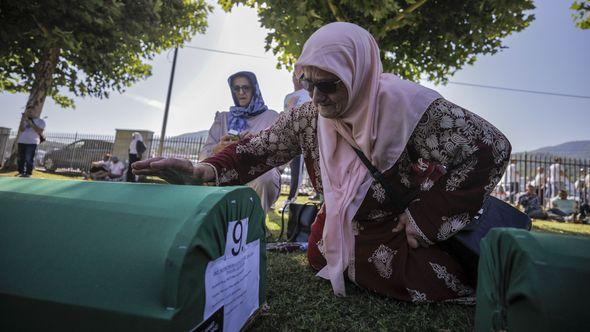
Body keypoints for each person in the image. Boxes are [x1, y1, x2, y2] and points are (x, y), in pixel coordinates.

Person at [133, 23, 511, 303]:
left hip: (398, 230)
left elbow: (491, 148)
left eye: (328, 84)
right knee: (321, 252)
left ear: (358, 74)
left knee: (426, 277)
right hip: (341, 228)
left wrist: (425, 219)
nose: (316, 96)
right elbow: (263, 148)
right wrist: (203, 170)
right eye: (307, 82)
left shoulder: (413, 111)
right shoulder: (309, 115)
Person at [197, 71, 281, 218]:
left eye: (246, 88)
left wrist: (255, 145)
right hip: (226, 171)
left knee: (264, 177)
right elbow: (203, 156)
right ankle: (215, 223)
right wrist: (219, 149)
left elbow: (281, 158)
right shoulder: (223, 118)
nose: (241, 92)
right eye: (236, 88)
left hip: (257, 171)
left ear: (254, 89)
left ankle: (255, 225)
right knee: (202, 175)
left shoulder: (271, 117)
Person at [283, 69, 312, 208]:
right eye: (294, 76)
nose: (296, 79)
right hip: (289, 137)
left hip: (305, 138)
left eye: (299, 76)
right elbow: (285, 116)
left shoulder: (309, 93)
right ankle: (280, 196)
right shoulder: (288, 96)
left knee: (299, 171)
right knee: (284, 168)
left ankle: (291, 200)